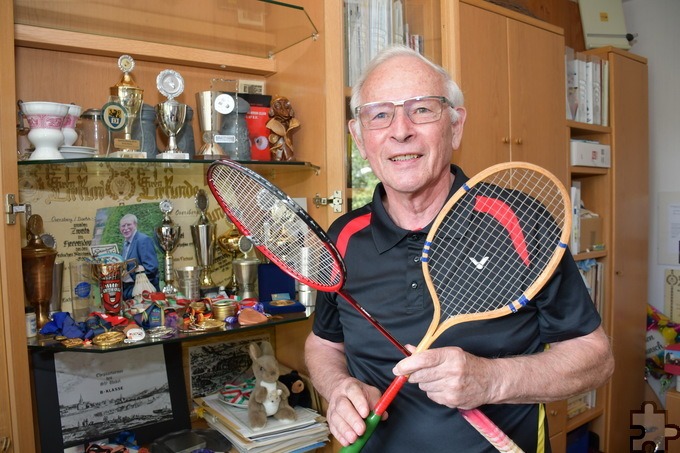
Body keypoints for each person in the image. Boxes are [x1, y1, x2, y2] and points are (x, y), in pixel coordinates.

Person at [304, 45, 614, 452]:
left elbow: (594, 357)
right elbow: (324, 343)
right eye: (379, 114)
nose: (400, 130)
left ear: (455, 126)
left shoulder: (521, 220)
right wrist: (338, 386)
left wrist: (490, 380)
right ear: (360, 139)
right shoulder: (342, 236)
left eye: (422, 110)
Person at [119, 213, 160, 300]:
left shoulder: (143, 240)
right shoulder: (125, 244)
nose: (125, 228)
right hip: (130, 292)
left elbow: (151, 268)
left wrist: (131, 279)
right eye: (123, 226)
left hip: (145, 294)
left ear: (135, 225)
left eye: (129, 224)